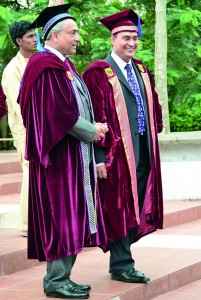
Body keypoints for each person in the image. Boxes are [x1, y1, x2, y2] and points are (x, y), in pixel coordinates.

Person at [18, 3, 108, 299]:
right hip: (57, 158)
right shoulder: (44, 65)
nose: (77, 37)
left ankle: (63, 277)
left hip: (72, 155)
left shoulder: (62, 64)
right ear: (53, 36)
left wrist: (92, 126)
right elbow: (57, 112)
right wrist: (90, 130)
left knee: (72, 215)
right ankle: (55, 281)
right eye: (72, 32)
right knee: (62, 217)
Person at [82, 9, 163, 284]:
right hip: (117, 156)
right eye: (126, 37)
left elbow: (154, 101)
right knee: (119, 208)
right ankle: (121, 264)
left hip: (143, 151)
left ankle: (123, 260)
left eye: (135, 38)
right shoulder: (98, 72)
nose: (132, 43)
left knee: (136, 205)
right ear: (113, 39)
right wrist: (100, 158)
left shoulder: (140, 68)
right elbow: (95, 118)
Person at [1, 20, 37, 237]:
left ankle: (40, 218)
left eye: (35, 35)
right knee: (29, 169)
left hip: (41, 126)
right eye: (30, 36)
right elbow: (18, 104)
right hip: (25, 128)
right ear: (18, 41)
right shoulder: (12, 69)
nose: (35, 40)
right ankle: (26, 224)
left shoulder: (38, 60)